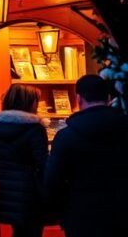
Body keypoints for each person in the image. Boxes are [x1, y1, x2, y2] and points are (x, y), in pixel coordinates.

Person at [44, 74, 128, 237]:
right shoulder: (123, 129)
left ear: (78, 99)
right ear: (109, 98)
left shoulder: (65, 137)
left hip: (81, 216)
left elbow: (53, 182)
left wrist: (57, 214)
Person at [0, 84, 49, 237]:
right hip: (32, 196)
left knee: (19, 232)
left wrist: (5, 181)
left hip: (8, 195)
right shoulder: (35, 129)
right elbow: (43, 164)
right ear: (28, 103)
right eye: (36, 101)